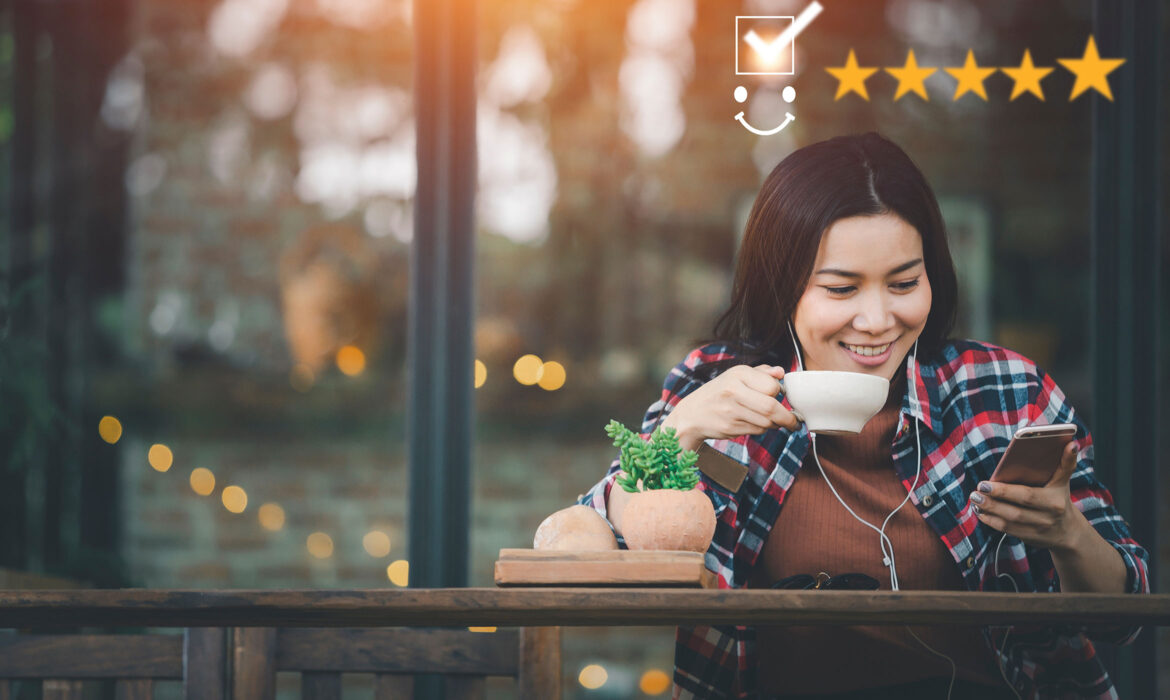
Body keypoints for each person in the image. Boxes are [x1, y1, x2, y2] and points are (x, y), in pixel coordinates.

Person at [576, 133, 1149, 700]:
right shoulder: (715, 386)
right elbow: (598, 549)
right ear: (784, 287)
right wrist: (681, 430)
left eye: (904, 283)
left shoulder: (1003, 391)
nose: (877, 320)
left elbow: (1124, 615)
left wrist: (1067, 534)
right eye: (841, 288)